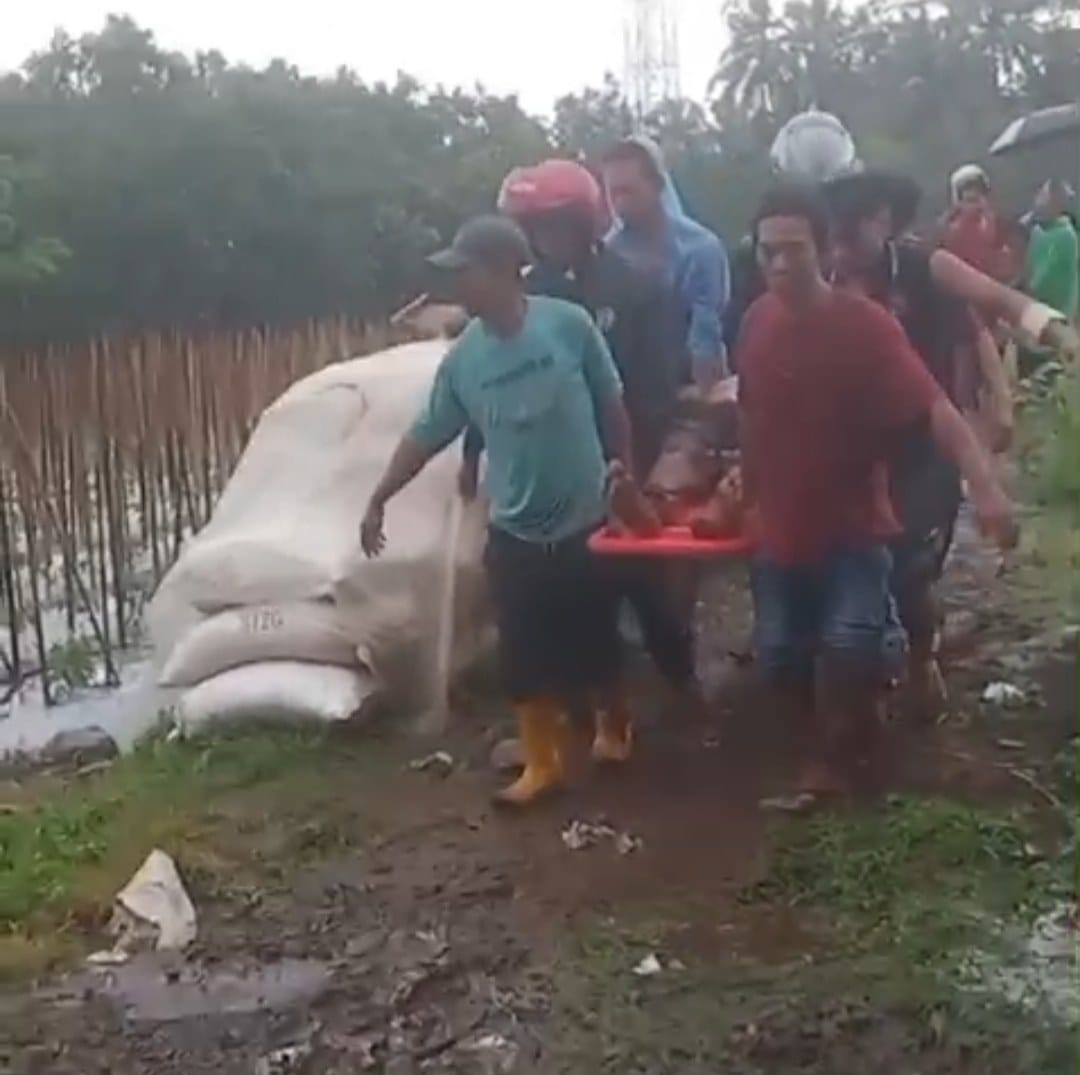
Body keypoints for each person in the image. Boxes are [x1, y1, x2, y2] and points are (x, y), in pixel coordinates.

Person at [737, 183, 1016, 798]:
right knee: (782, 652)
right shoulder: (757, 323)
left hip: (853, 521)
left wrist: (986, 487)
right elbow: (750, 416)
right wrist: (738, 492)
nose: (780, 264)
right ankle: (833, 732)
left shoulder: (866, 326)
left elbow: (936, 408)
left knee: (850, 642)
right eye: (767, 253)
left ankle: (842, 753)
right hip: (781, 525)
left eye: (793, 250)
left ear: (822, 250)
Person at [360, 215, 635, 807]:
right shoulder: (464, 360)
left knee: (595, 637)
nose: (459, 284)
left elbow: (611, 399)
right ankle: (541, 764)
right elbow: (427, 433)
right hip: (515, 524)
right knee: (524, 650)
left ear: (510, 271)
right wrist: (381, 495)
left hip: (586, 515)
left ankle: (614, 725)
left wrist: (625, 472)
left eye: (468, 271)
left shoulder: (568, 325)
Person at [457, 159, 699, 698]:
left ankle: (681, 680)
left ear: (584, 223)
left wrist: (634, 467)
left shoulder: (637, 288)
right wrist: (474, 450)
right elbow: (490, 379)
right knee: (572, 594)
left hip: (624, 457)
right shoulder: (528, 299)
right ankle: (585, 707)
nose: (547, 239)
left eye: (555, 226)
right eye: (536, 229)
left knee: (647, 584)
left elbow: (654, 386)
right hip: (554, 467)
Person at [602, 135, 731, 391]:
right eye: (613, 193)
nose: (619, 203)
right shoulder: (606, 254)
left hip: (687, 385)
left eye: (628, 191)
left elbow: (705, 338)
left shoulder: (699, 249)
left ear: (658, 185)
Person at [1026, 178, 1079, 325]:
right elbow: (1030, 263)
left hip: (1058, 312)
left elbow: (1045, 273)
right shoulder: (1037, 231)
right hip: (1038, 309)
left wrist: (1028, 292)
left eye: (1043, 196)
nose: (1038, 202)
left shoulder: (1065, 235)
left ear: (1056, 203)